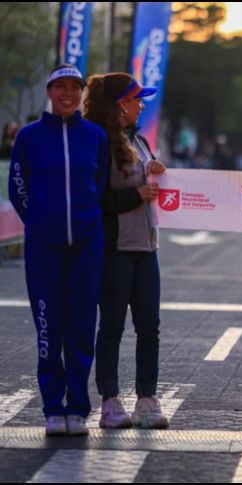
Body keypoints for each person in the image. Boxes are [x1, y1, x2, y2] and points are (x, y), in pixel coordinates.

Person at [8, 64, 109, 436]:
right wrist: (39, 223)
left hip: (86, 246)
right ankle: (53, 408)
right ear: (49, 92)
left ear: (81, 93)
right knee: (48, 330)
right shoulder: (29, 137)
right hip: (43, 248)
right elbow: (17, 186)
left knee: (81, 329)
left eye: (74, 87)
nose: (67, 94)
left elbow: (100, 185)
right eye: (60, 87)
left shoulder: (95, 136)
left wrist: (85, 222)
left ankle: (78, 408)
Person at [83, 72, 169, 429]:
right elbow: (95, 200)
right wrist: (137, 195)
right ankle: (109, 401)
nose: (141, 106)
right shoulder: (99, 142)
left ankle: (147, 399)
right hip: (116, 249)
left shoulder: (140, 141)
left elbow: (148, 180)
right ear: (121, 105)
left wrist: (154, 169)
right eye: (137, 100)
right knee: (112, 327)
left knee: (149, 327)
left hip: (147, 249)